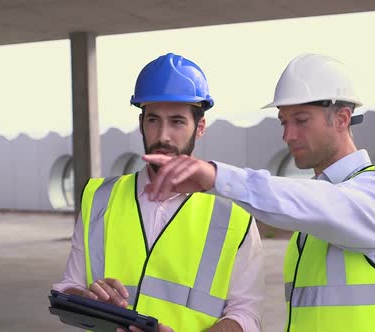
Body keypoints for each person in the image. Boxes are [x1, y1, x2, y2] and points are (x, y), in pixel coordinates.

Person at [143, 54, 375, 332]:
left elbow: (321, 203)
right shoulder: (314, 219)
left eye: (300, 120)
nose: (288, 135)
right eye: (283, 122)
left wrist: (216, 176)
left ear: (342, 119)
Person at [53, 53, 264, 332]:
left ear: (199, 127)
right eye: (153, 120)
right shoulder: (99, 198)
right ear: (141, 123)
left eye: (177, 121)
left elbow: (246, 315)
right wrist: (92, 299)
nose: (163, 135)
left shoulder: (235, 215)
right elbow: (69, 288)